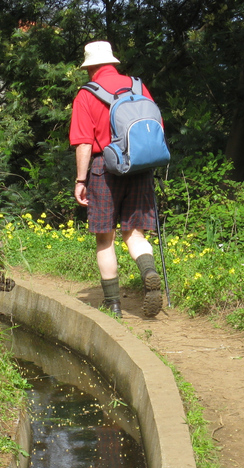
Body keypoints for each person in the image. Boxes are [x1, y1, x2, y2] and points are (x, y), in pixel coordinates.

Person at [69, 41, 163, 319]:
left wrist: (80, 179)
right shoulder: (138, 87)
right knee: (135, 233)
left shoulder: (86, 95)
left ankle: (114, 306)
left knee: (105, 239)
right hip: (139, 166)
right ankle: (148, 271)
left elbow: (84, 143)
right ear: (111, 61)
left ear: (90, 68)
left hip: (104, 170)